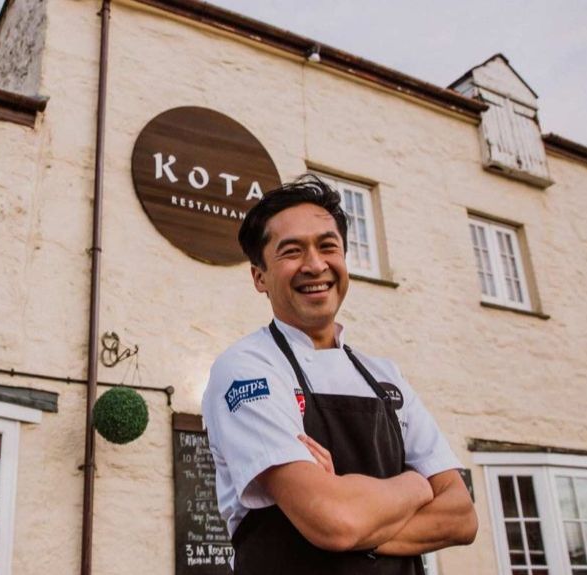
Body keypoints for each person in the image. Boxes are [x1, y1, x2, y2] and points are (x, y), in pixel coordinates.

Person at [201, 176, 477, 574]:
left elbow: (461, 517)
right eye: (291, 252)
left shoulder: (387, 376)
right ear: (259, 277)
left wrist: (348, 513)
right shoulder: (246, 369)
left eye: (328, 247)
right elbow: (333, 520)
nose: (315, 265)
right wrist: (416, 485)